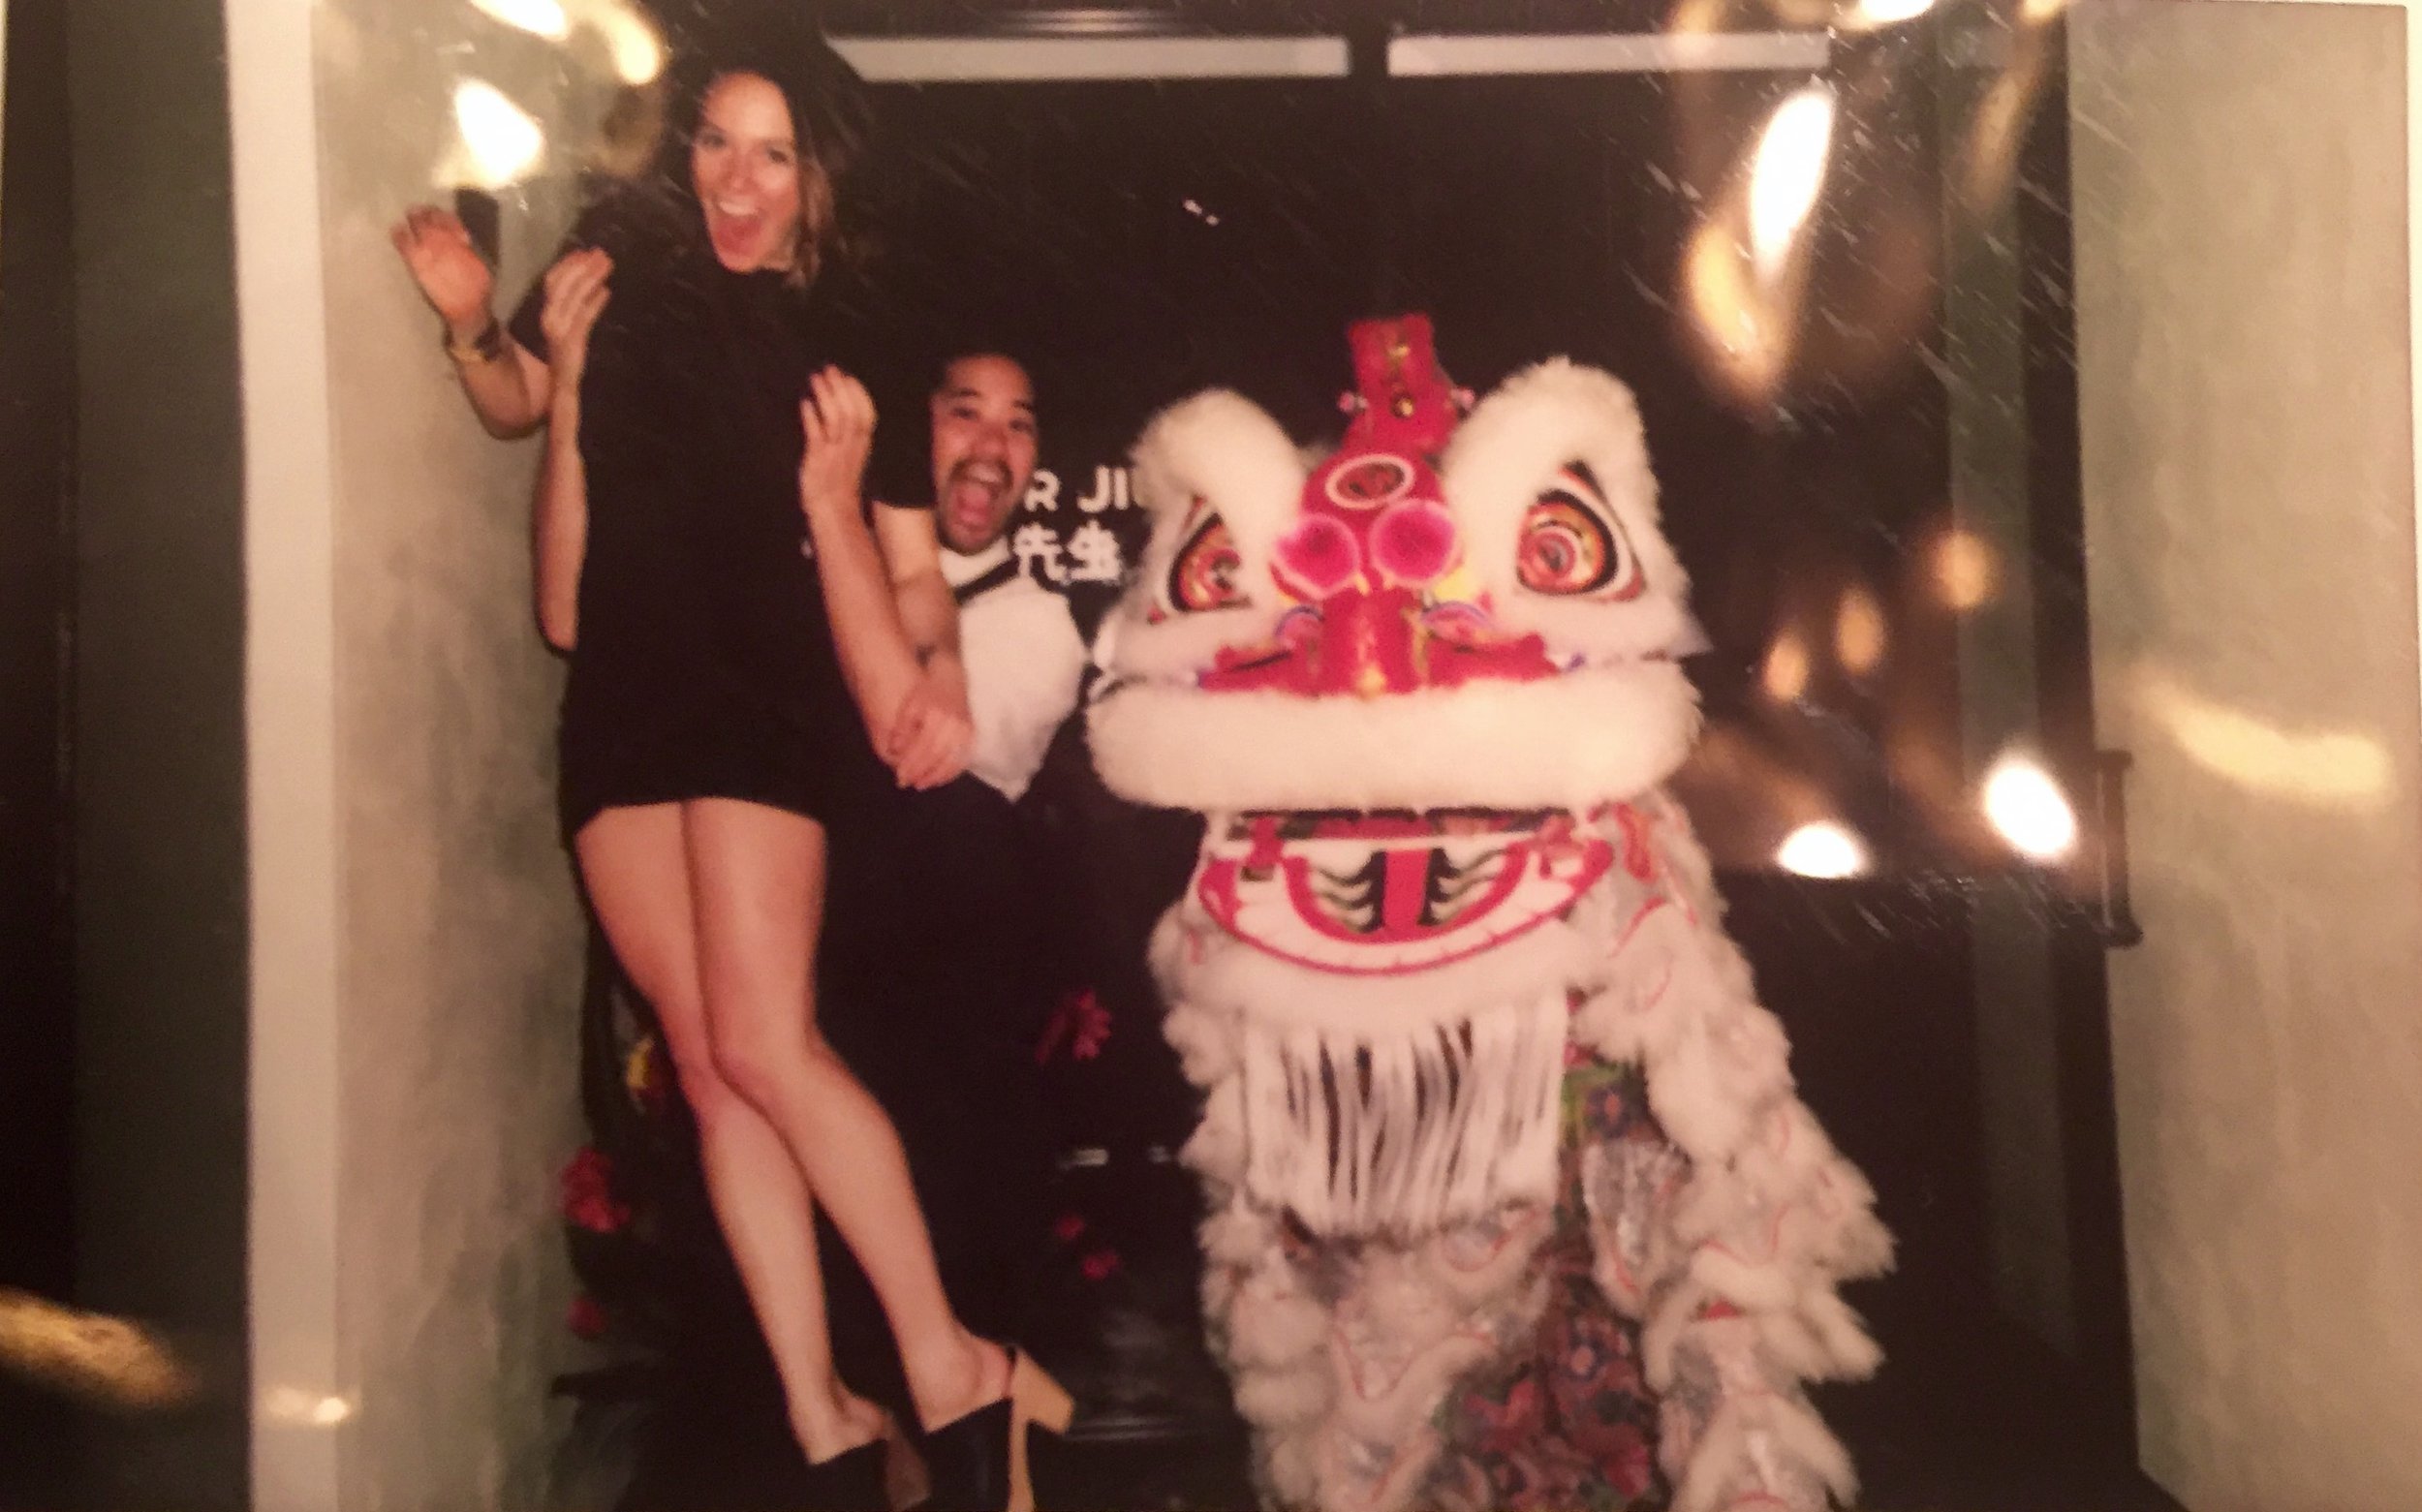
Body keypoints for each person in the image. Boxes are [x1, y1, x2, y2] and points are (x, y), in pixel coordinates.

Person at [390, 40, 1066, 1512]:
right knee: (708, 1068)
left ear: (821, 175)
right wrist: (469, 329)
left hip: (765, 707)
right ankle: (824, 1412)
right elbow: (518, 406)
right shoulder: (617, 271)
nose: (734, 183)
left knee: (767, 1042)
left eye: (771, 155)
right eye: (714, 145)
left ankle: (952, 1363)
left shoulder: (856, 332)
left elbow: (910, 566)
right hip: (624, 705)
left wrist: (933, 672)